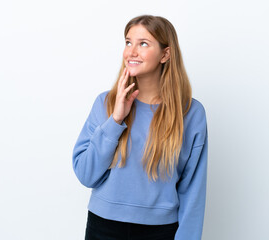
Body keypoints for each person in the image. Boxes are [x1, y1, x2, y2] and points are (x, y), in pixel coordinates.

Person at [72, 15, 208, 240]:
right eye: (128, 42)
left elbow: (193, 190)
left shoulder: (192, 113)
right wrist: (115, 120)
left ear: (165, 54)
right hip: (103, 227)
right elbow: (86, 175)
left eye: (143, 43)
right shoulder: (105, 103)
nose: (131, 51)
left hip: (160, 231)